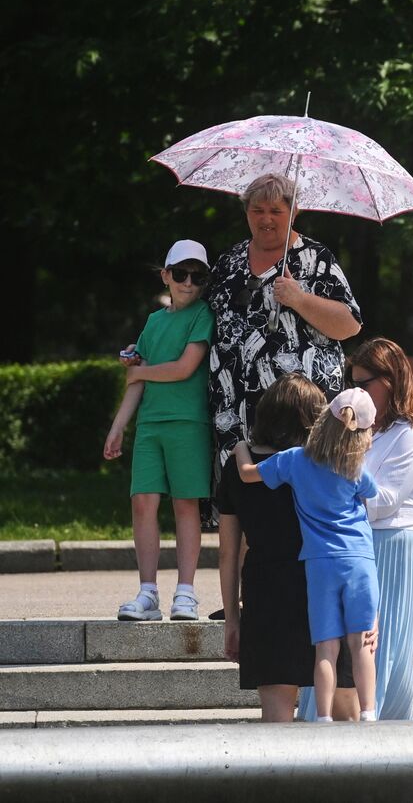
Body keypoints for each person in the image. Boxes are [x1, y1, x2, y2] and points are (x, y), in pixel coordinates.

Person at [205, 173, 363, 524]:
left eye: (275, 210)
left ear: (294, 213)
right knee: (245, 515)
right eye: (257, 209)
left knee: (297, 514)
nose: (265, 219)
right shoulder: (229, 261)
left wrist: (299, 299)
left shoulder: (315, 259)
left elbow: (349, 323)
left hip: (298, 418)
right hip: (236, 415)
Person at [216, 374, 362, 721]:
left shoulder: (239, 468)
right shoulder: (327, 464)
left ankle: (280, 777)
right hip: (326, 583)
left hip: (267, 593)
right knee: (346, 711)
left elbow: (226, 552)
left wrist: (233, 619)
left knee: (276, 717)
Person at [104, 240, 215, 621]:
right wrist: (118, 427)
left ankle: (186, 593)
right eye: (180, 273)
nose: (188, 282)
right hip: (150, 425)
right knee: (142, 503)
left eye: (197, 275)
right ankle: (147, 592)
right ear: (166, 275)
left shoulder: (203, 314)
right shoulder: (154, 321)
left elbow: (184, 368)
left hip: (189, 424)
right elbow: (136, 382)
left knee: (186, 505)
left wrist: (139, 370)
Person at [341, 337, 413, 719]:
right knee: (357, 644)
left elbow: (384, 502)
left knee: (385, 645)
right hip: (360, 541)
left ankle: (378, 727)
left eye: (364, 385)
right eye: (353, 385)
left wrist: (334, 501)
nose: (357, 393)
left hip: (397, 543)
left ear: (391, 381)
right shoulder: (366, 430)